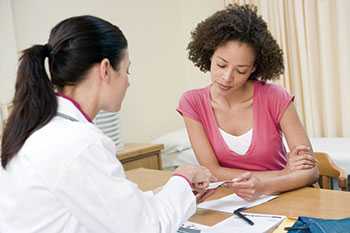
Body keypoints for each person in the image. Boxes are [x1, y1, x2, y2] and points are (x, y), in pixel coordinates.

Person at [0, 15, 215, 233]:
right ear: (105, 69)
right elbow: (147, 227)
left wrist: (168, 192)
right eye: (126, 70)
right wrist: (183, 178)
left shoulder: (41, 127)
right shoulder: (78, 143)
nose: (128, 81)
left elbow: (111, 209)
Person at [177, 4, 319, 201]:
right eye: (221, 65)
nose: (227, 77)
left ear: (253, 68)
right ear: (209, 54)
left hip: (285, 197)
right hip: (233, 202)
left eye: (241, 70)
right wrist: (284, 173)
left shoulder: (275, 97)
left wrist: (265, 186)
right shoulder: (192, 102)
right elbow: (211, 171)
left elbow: (310, 171)